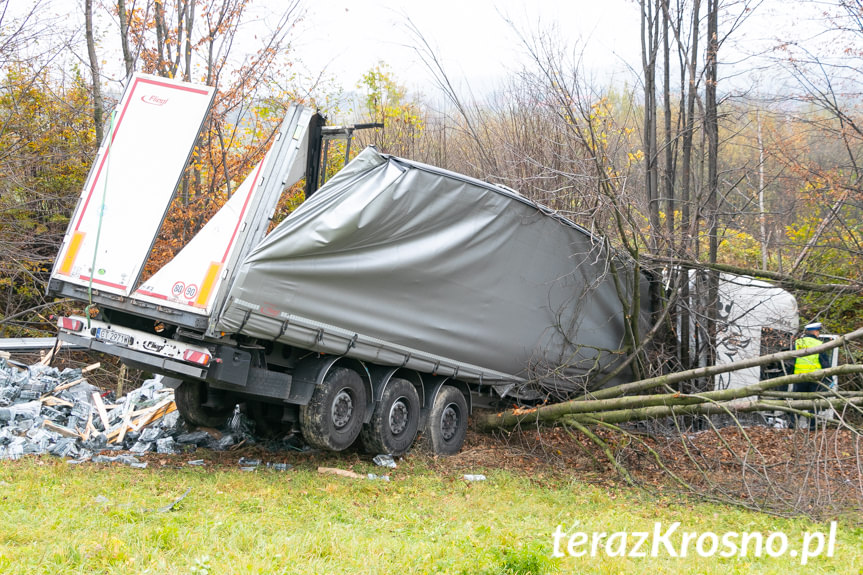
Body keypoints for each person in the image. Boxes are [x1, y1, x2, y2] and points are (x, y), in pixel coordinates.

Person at [792, 322, 831, 430]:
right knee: (814, 402)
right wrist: (829, 377)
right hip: (814, 377)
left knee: (797, 401)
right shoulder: (819, 344)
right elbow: (824, 362)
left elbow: (791, 360)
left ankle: (792, 424)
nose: (818, 333)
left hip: (799, 376)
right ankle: (812, 426)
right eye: (818, 331)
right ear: (814, 332)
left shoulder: (797, 342)